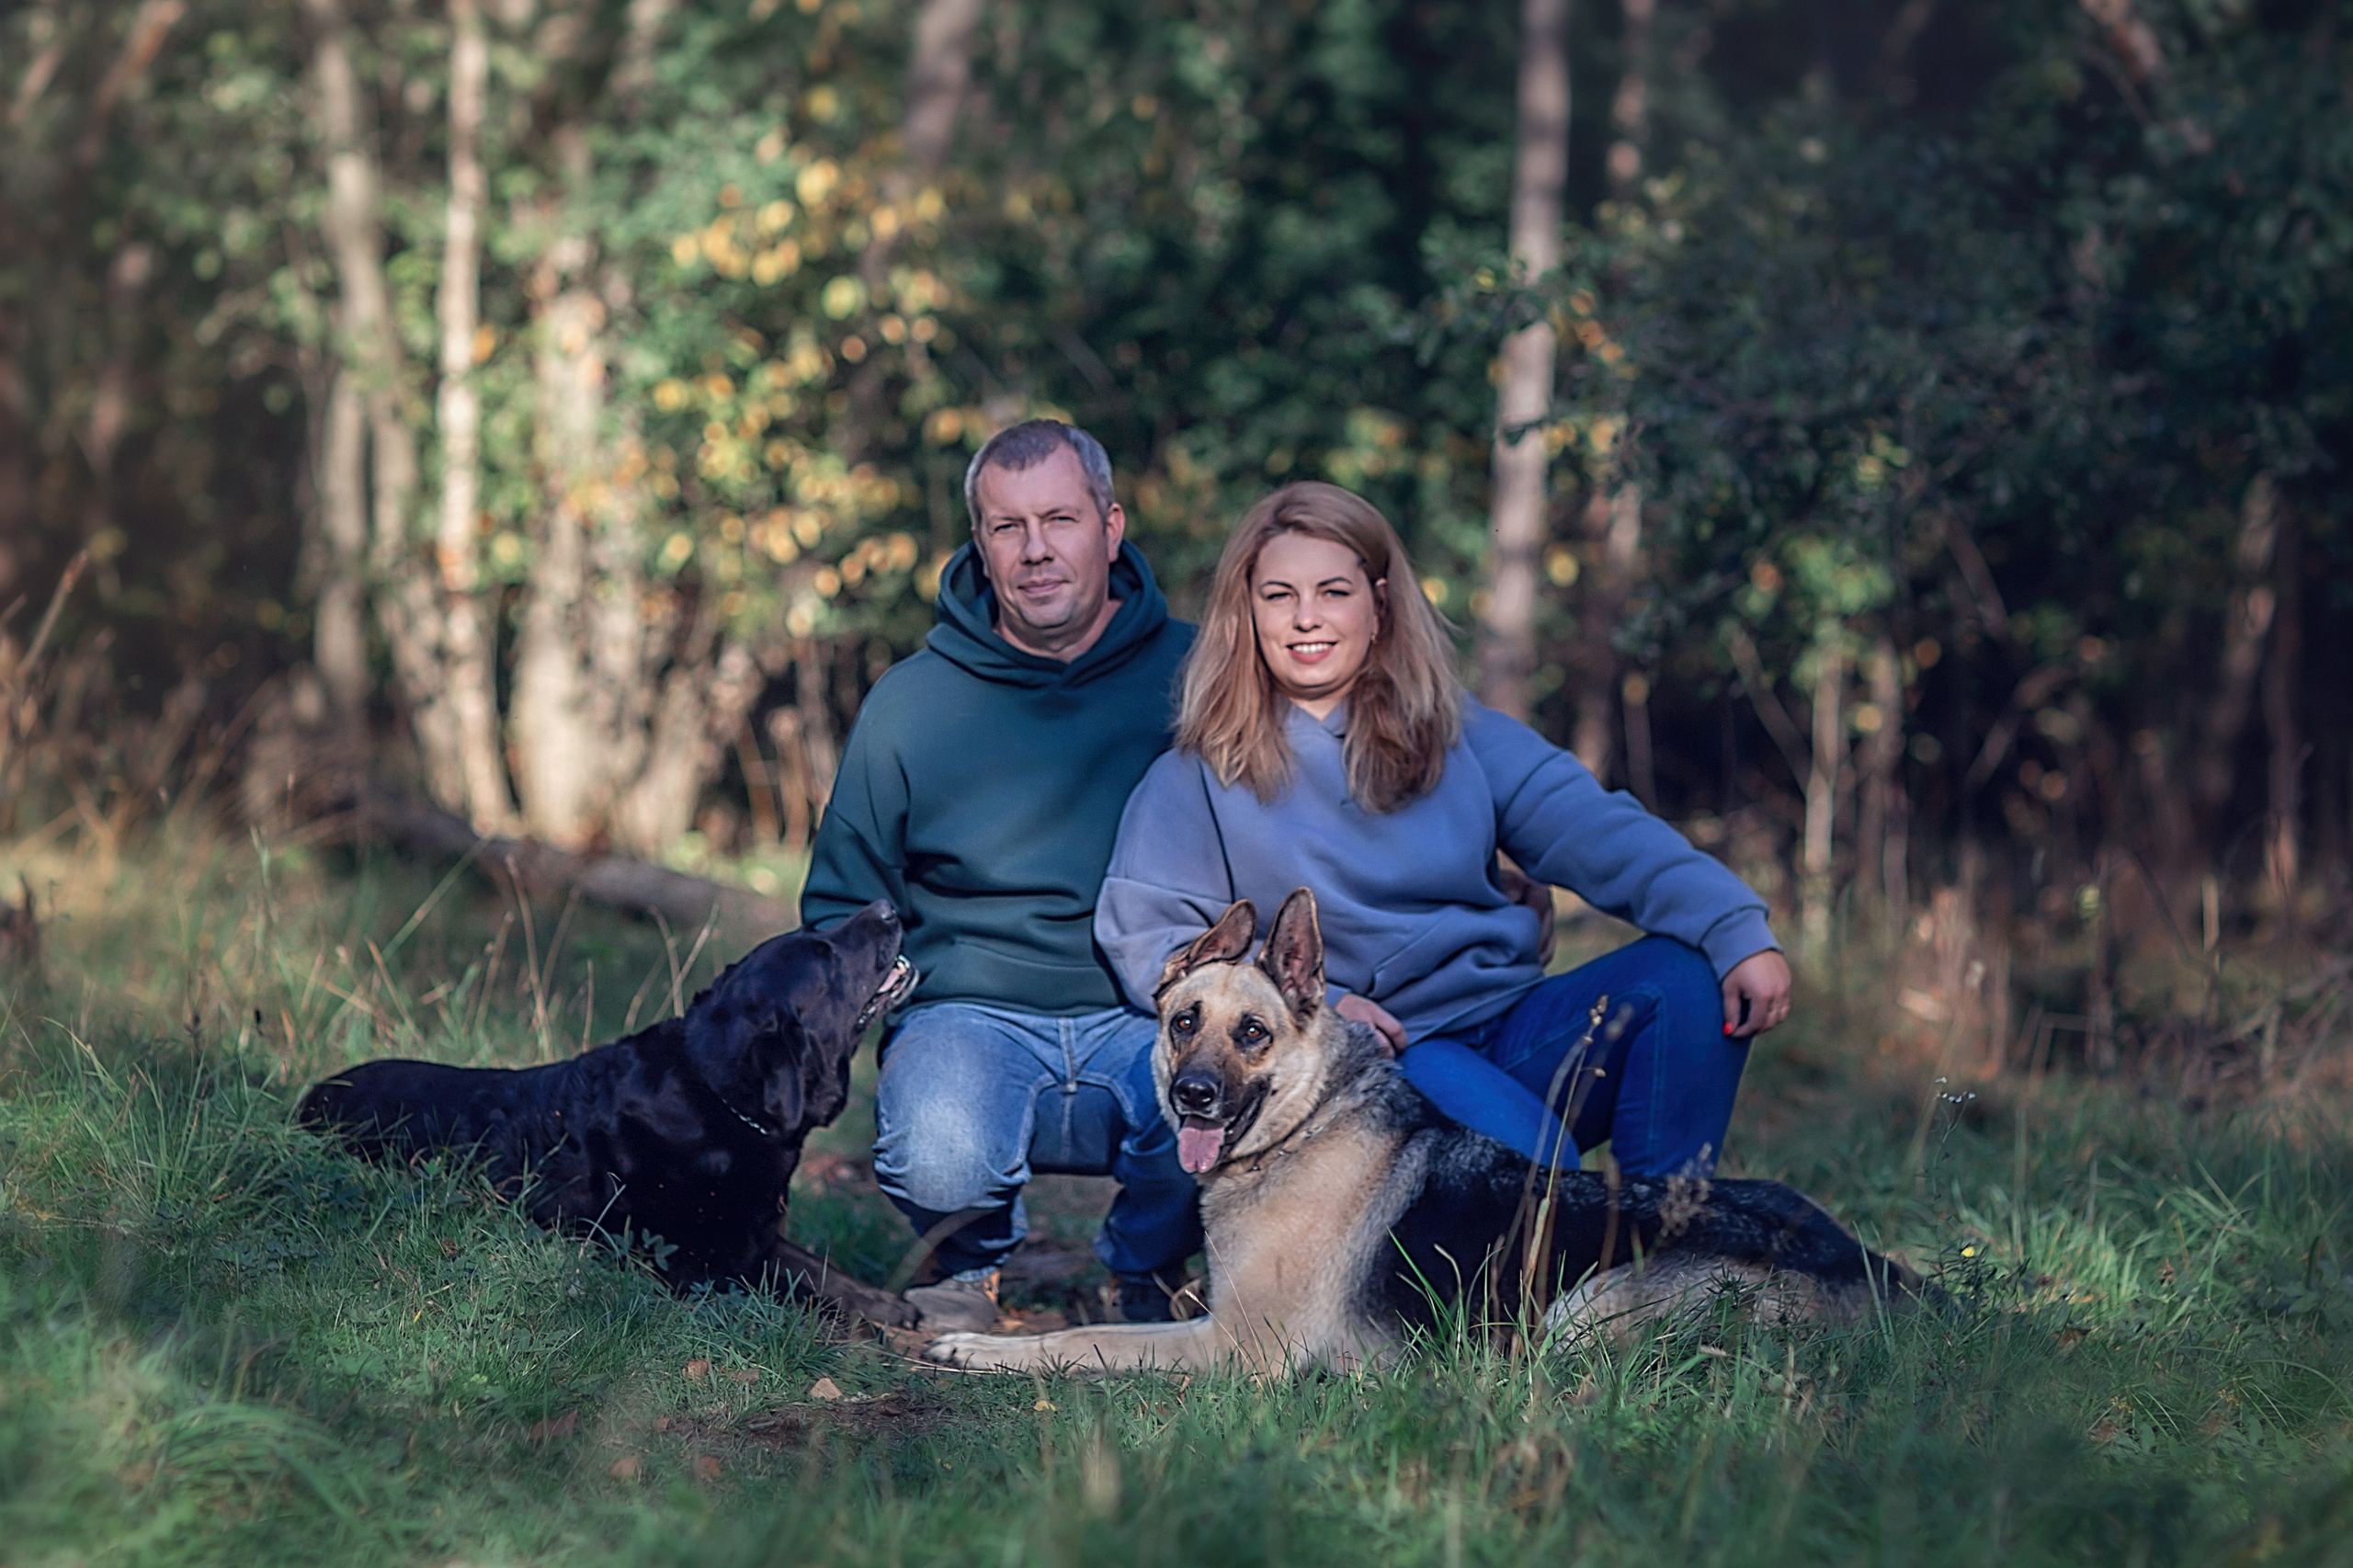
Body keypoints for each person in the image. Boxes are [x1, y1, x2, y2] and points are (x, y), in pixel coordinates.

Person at [1095, 482, 1792, 1178]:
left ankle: (1674, 1243)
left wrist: (1734, 926)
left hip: (1517, 1024)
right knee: (1544, 1180)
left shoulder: (1461, 734)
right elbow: (1149, 941)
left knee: (1686, 978)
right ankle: (1585, 1251)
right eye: (1279, 596)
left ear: (1381, 604)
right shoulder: (1196, 775)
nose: (1306, 618)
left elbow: (1605, 835)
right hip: (1391, 1057)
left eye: (1333, 592)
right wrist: (1327, 1008)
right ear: (1246, 612)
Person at [798, 419, 1199, 1332]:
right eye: (1007, 526)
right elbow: (840, 906)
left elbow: (1297, 815)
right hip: (968, 1013)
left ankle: (1146, 1272)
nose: (1035, 550)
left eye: (1058, 519)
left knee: (1216, 1103)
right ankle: (971, 1268)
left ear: (1110, 524)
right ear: (979, 542)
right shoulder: (912, 702)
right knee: (937, 1147)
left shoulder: (1199, 674)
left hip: (1154, 1002)